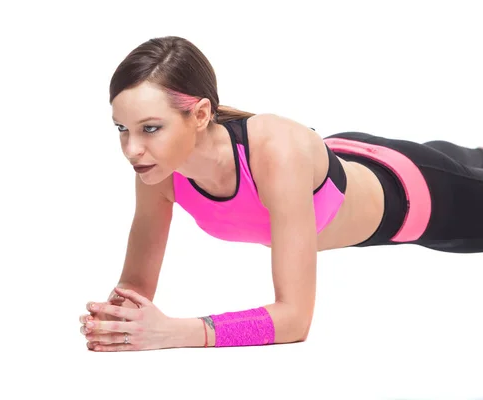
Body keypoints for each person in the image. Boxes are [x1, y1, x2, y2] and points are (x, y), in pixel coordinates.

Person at [79, 36, 483, 352]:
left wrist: (175, 332)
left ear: (201, 115)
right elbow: (133, 297)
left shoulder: (274, 150)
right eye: (122, 129)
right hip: (349, 161)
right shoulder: (158, 170)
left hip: (423, 193)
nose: (131, 149)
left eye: (150, 128)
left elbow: (294, 321)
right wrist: (116, 325)